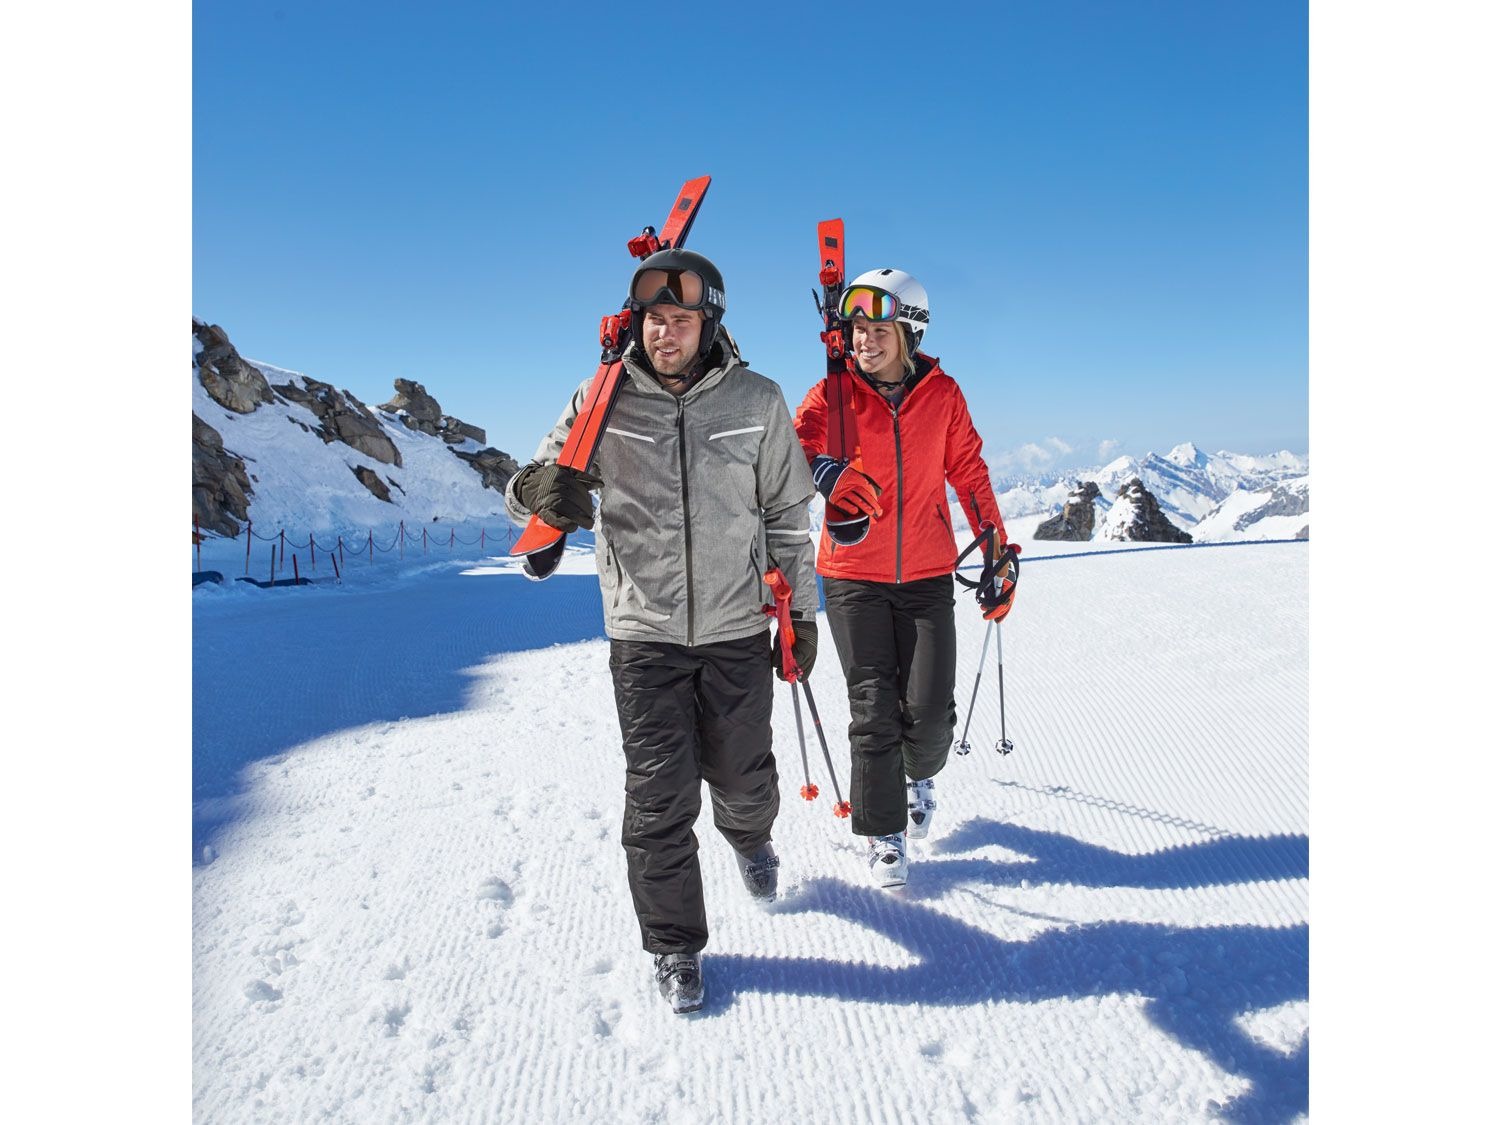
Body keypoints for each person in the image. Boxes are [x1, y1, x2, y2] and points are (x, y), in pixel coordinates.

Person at [505, 248, 818, 1014]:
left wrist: (802, 614)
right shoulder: (601, 397)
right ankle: (675, 944)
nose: (664, 332)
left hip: (736, 625)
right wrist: (545, 490)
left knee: (743, 778)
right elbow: (522, 491)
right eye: (653, 318)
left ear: (710, 323)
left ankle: (750, 836)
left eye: (680, 319)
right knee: (657, 796)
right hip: (643, 632)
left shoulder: (758, 398)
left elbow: (786, 514)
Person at [792, 267, 1014, 889]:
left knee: (929, 716)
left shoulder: (942, 395)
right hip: (851, 574)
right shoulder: (831, 395)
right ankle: (883, 832)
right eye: (857, 329)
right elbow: (792, 452)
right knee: (873, 707)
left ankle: (920, 776)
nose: (864, 341)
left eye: (879, 330)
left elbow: (969, 473)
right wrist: (826, 472)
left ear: (910, 333)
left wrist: (996, 552)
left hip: (926, 572)